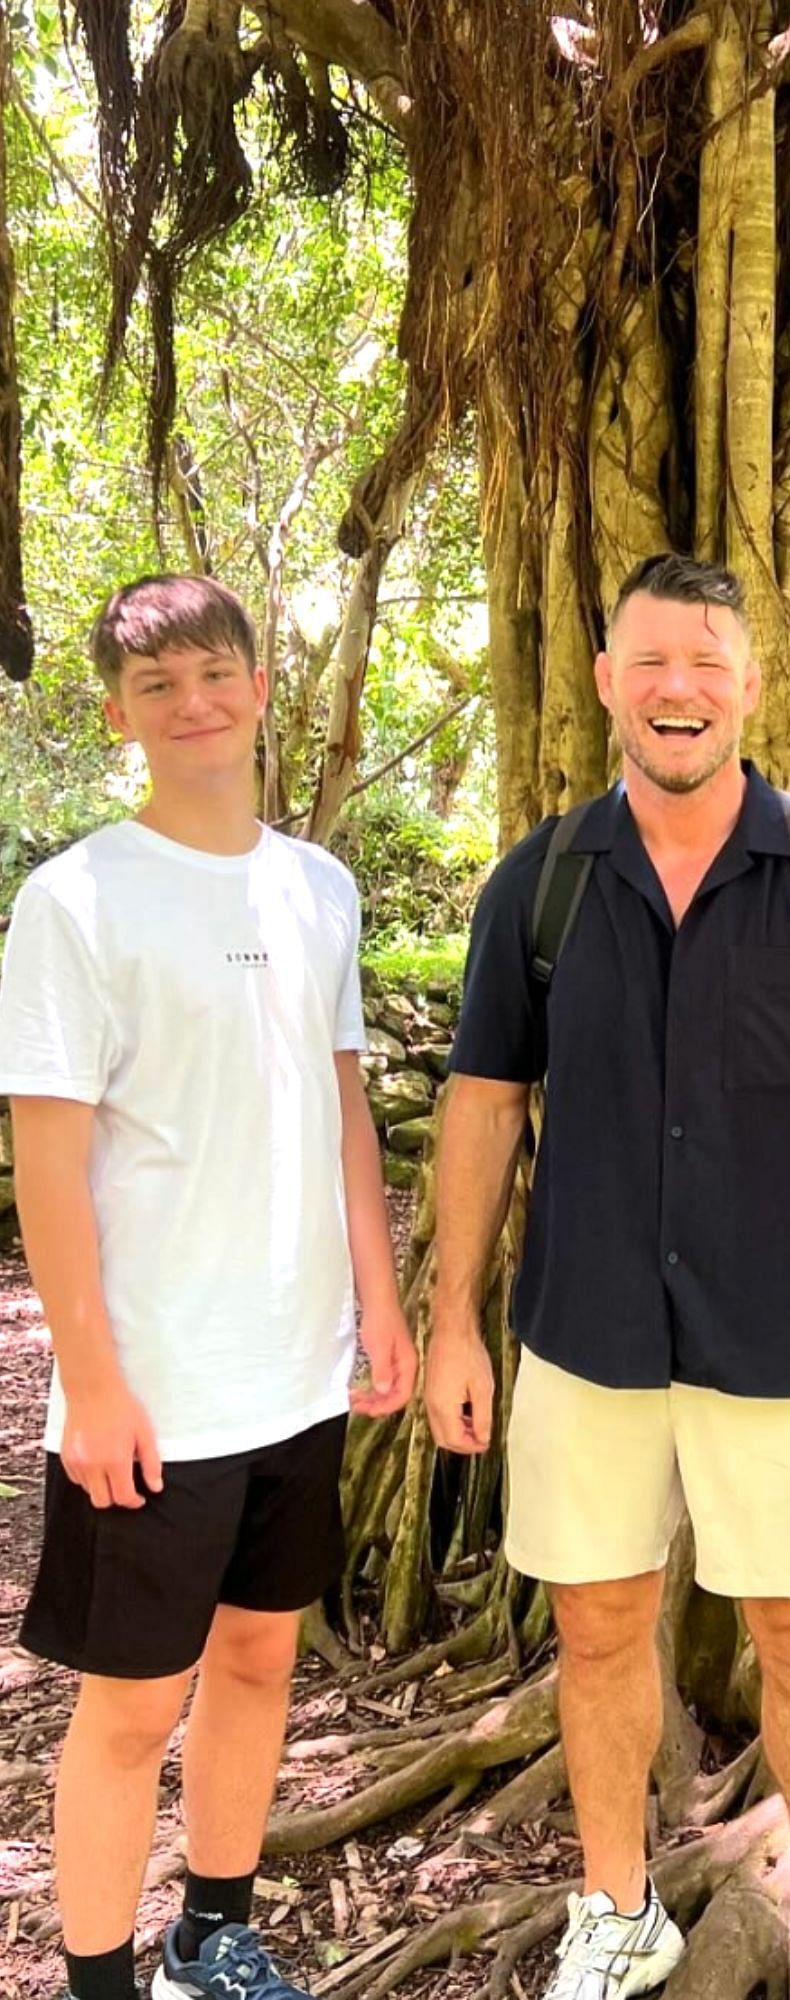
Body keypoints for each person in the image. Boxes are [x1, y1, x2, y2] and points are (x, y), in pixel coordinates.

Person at [424, 553, 790, 2000]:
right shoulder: (540, 884)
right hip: (585, 1331)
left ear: (749, 683)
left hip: (784, 1337)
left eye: (707, 662)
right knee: (597, 1628)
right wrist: (450, 1327)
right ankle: (614, 1913)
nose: (679, 689)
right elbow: (481, 1103)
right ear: (606, 680)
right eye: (650, 661)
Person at [0, 577, 416, 2000]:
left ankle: (210, 1934)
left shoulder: (317, 885)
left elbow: (344, 1108)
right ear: (119, 715)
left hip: (295, 1369)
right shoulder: (75, 901)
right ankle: (101, 1978)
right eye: (159, 684)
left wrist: (381, 1299)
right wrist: (95, 1382)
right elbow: (47, 1160)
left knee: (256, 1661)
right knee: (128, 1708)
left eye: (215, 673)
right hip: (154, 1388)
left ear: (257, 687)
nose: (194, 703)